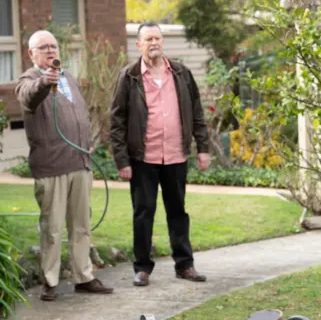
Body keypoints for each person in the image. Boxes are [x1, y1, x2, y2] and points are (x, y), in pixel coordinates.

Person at [110, 22, 211, 287]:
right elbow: (117, 120)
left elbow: (197, 113)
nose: (154, 42)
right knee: (143, 212)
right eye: (148, 39)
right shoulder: (129, 76)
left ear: (162, 42)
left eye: (157, 38)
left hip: (176, 155)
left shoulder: (181, 73)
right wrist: (122, 160)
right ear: (139, 45)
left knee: (178, 212)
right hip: (143, 158)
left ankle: (185, 265)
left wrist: (203, 148)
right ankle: (142, 267)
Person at [15, 30, 114, 301]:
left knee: (81, 225)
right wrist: (44, 83)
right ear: (31, 54)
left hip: (80, 163)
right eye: (43, 47)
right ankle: (50, 281)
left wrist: (86, 142)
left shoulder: (68, 77)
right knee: (53, 228)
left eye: (53, 46)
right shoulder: (30, 79)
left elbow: (78, 114)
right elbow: (27, 98)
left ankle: (84, 276)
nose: (50, 51)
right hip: (51, 167)